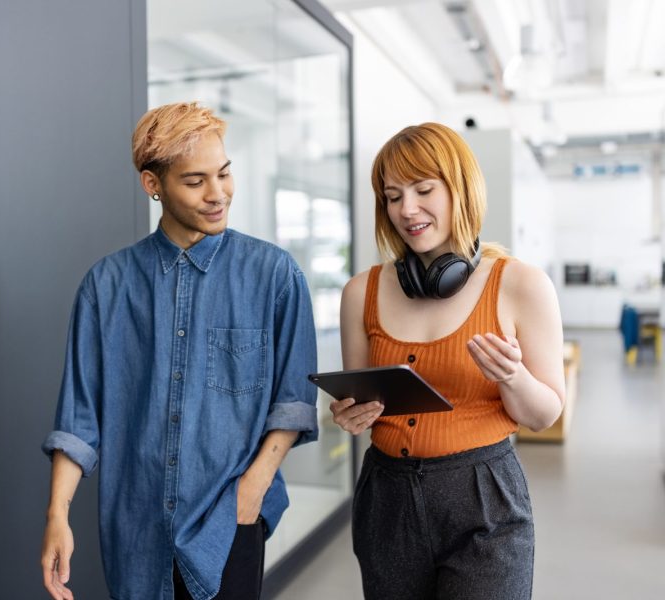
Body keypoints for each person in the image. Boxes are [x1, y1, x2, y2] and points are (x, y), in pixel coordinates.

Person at [40, 101, 319, 600]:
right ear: (153, 184)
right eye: (195, 181)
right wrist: (58, 515)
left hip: (228, 517)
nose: (218, 195)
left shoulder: (275, 275)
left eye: (225, 174)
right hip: (134, 524)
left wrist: (252, 488)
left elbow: (293, 402)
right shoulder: (106, 286)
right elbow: (79, 417)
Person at [330, 122, 565, 600]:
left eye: (423, 190)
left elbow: (545, 415)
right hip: (386, 495)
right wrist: (350, 414)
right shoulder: (362, 292)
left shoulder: (521, 285)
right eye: (393, 196)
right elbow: (359, 399)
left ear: (460, 189)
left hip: (483, 495)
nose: (406, 209)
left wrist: (513, 376)